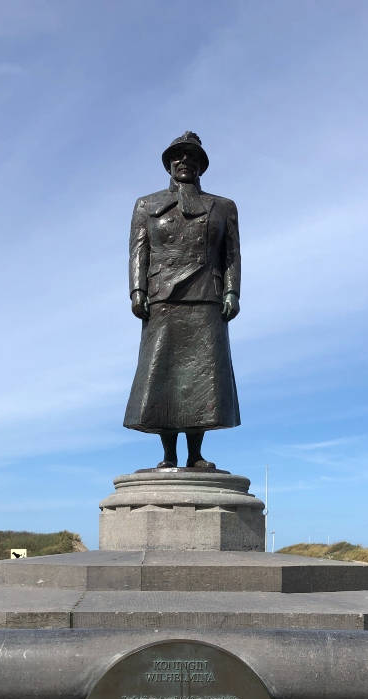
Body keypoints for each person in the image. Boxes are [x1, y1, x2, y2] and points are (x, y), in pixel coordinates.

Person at [124, 131, 241, 469]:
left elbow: (231, 254)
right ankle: (169, 457)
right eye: (178, 157)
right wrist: (137, 291)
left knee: (201, 377)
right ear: (169, 165)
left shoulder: (223, 207)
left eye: (192, 157)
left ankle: (195, 455)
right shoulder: (146, 205)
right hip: (163, 297)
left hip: (207, 295)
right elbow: (138, 251)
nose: (184, 162)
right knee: (164, 373)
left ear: (202, 166)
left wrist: (232, 291)